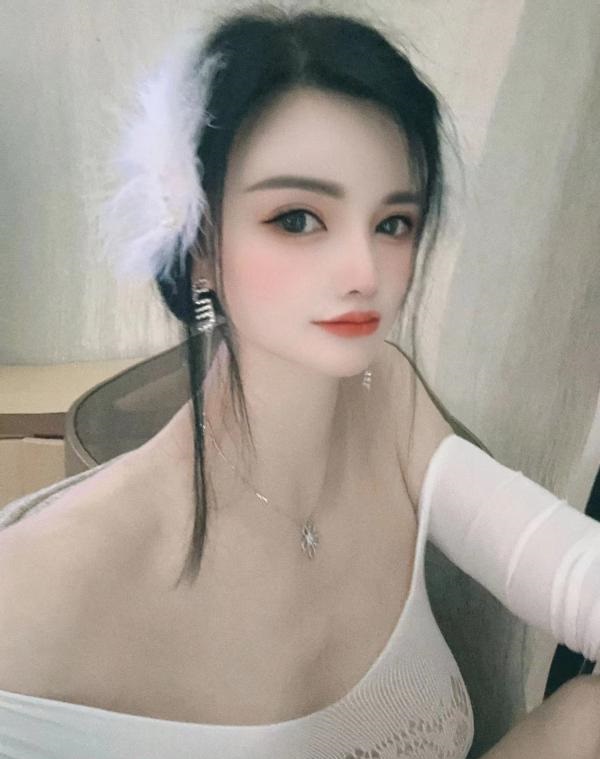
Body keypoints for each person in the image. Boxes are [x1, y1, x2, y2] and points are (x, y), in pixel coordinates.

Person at [0, 5, 599, 758]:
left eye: (392, 222)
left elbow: (578, 576)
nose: (363, 271)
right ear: (199, 244)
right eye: (296, 219)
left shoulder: (385, 395)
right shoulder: (49, 582)